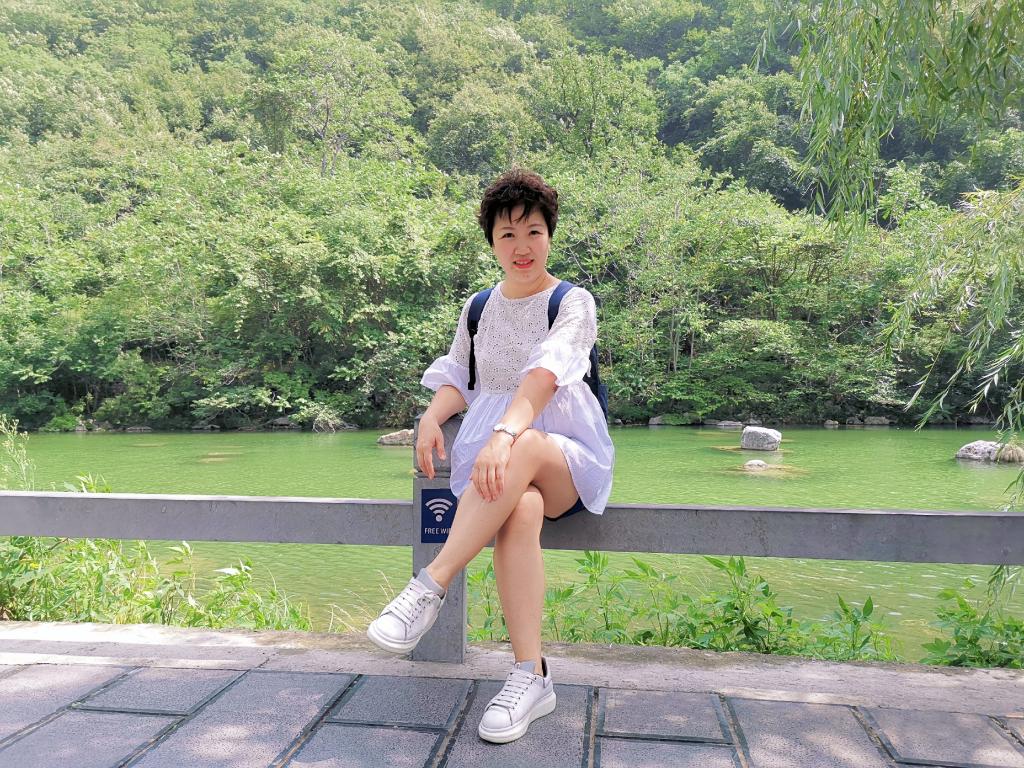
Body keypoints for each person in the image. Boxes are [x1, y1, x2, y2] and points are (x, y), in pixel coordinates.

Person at [367, 168, 615, 744]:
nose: (522, 246)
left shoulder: (572, 302)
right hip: (503, 466)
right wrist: (432, 415)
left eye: (533, 232)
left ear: (550, 234)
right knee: (520, 511)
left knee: (523, 449)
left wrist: (503, 436)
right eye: (508, 235)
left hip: (563, 456)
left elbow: (545, 374)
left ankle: (430, 584)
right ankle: (531, 676)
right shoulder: (479, 306)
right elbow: (463, 376)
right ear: (492, 243)